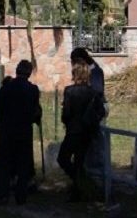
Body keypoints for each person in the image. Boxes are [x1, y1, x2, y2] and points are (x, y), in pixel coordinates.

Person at [0, 60, 42, 205]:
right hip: (24, 132)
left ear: (17, 70)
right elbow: (36, 111)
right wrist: (36, 119)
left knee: (4, 163)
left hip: (7, 131)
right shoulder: (33, 90)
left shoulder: (6, 88)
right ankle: (21, 196)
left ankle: (3, 195)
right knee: (23, 164)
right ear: (29, 73)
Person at [57, 61, 106, 201]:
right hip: (87, 131)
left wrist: (67, 121)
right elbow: (101, 112)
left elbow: (66, 114)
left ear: (75, 74)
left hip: (73, 130)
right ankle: (78, 192)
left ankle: (82, 183)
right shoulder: (93, 93)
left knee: (63, 158)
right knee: (79, 161)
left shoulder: (69, 91)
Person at [70, 47, 107, 175]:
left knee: (96, 142)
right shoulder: (92, 69)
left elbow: (97, 92)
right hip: (87, 112)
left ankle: (97, 173)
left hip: (94, 111)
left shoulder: (95, 71)